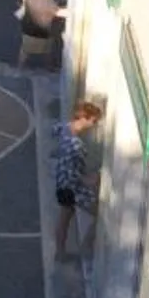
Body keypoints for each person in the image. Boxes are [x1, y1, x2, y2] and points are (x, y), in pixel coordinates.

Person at [52, 98, 103, 255]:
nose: (93, 125)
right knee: (98, 214)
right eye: (93, 121)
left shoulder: (65, 128)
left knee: (64, 219)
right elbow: (73, 172)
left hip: (62, 182)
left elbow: (54, 131)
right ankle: (84, 248)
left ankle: (60, 252)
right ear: (85, 118)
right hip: (71, 187)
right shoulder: (76, 144)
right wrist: (89, 181)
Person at [16, 0, 65, 69]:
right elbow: (59, 12)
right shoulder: (48, 1)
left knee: (24, 51)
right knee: (49, 49)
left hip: (27, 31)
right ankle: (49, 67)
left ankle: (19, 67)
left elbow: (24, 0)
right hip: (42, 35)